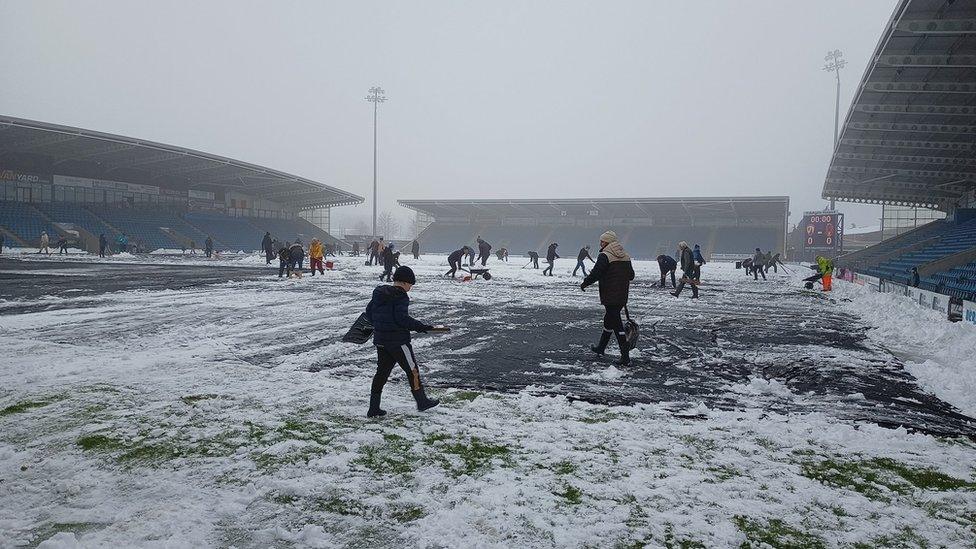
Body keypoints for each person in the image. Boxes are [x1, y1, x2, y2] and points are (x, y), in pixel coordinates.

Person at [365, 265, 439, 417]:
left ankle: (373, 407)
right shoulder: (401, 296)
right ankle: (422, 401)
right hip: (398, 341)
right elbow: (402, 319)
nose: (410, 288)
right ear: (405, 282)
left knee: (381, 373)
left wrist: (380, 326)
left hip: (381, 340)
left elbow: (369, 312)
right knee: (412, 371)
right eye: (411, 284)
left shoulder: (379, 293)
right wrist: (421, 327)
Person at [581, 231, 635, 366]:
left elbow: (596, 273)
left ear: (607, 242)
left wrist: (585, 283)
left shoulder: (605, 255)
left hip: (610, 295)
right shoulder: (625, 256)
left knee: (616, 324)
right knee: (609, 319)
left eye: (602, 241)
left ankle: (625, 356)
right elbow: (631, 275)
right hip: (622, 295)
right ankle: (601, 347)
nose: (600, 243)